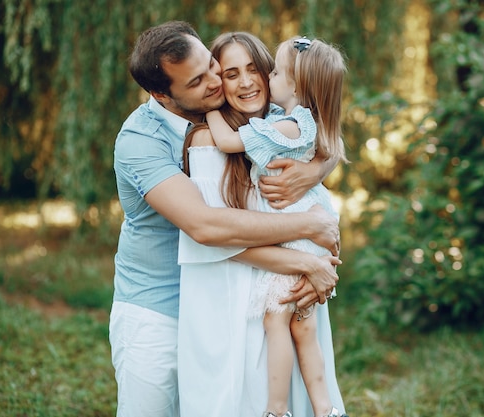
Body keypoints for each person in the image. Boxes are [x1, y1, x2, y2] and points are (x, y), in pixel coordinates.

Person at [110, 21, 341, 417]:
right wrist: (309, 239)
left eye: (211, 66)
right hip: (160, 307)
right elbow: (206, 227)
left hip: (231, 294)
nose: (217, 82)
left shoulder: (252, 117)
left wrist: (317, 168)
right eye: (200, 79)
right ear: (162, 94)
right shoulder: (141, 141)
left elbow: (320, 130)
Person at [177, 32, 347, 417]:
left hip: (278, 290)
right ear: (218, 81)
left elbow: (332, 142)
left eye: (255, 69)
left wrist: (313, 172)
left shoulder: (276, 124)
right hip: (236, 295)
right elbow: (215, 237)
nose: (248, 82)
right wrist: (309, 261)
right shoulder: (210, 140)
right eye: (232, 73)